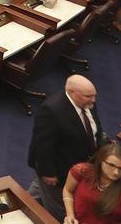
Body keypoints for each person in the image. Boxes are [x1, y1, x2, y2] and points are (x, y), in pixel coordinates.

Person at [27, 75, 106, 220]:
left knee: (38, 191)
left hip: (80, 161)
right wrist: (47, 172)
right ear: (71, 92)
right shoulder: (51, 110)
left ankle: (23, 204)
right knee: (58, 208)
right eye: (88, 96)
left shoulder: (87, 103)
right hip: (60, 170)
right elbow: (42, 145)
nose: (93, 100)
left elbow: (95, 128)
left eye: (94, 95)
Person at [63, 143, 121, 224]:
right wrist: (70, 216)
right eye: (111, 165)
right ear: (101, 161)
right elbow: (68, 190)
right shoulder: (82, 171)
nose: (116, 172)